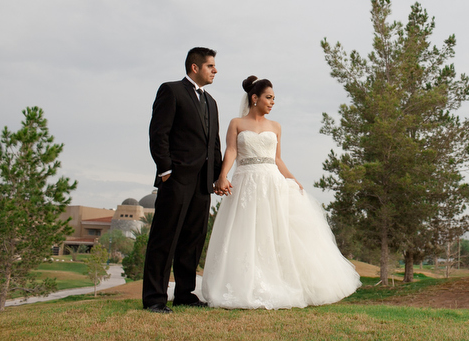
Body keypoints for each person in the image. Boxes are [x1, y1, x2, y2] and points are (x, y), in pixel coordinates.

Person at [201, 76, 361, 309]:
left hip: (271, 183)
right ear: (254, 98)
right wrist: (223, 176)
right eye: (268, 97)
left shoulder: (276, 127)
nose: (272, 102)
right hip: (245, 181)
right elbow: (232, 150)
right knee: (244, 233)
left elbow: (276, 158)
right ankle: (241, 282)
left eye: (274, 98)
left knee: (271, 231)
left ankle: (275, 281)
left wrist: (294, 180)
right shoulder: (236, 123)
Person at [143, 47, 223, 313]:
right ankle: (155, 298)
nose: (215, 70)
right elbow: (159, 133)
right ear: (194, 67)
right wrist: (165, 170)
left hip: (203, 183)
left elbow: (214, 144)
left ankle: (185, 294)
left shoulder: (211, 102)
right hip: (176, 179)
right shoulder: (171, 90)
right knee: (164, 238)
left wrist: (217, 176)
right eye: (210, 66)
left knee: (193, 238)